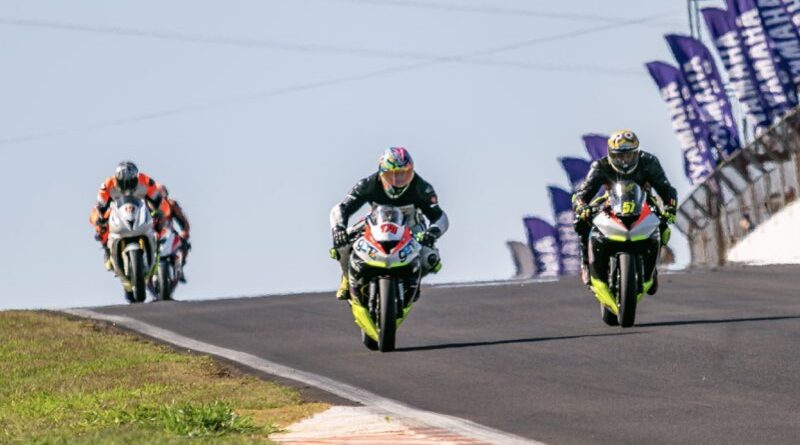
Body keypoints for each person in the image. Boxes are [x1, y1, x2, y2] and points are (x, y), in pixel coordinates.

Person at [330, 147, 449, 300]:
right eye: (391, 175)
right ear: (381, 173)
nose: (398, 181)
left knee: (431, 259)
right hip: (375, 223)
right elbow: (341, 207)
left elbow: (440, 216)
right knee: (341, 244)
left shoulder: (422, 188)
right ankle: (347, 279)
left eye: (403, 175)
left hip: (411, 226)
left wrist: (432, 233)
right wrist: (338, 228)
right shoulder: (368, 184)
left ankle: (413, 282)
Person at [572, 130, 677, 295]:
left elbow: (666, 189)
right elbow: (582, 195)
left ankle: (652, 268)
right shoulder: (601, 166)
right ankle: (586, 261)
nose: (624, 160)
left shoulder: (648, 161)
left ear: (636, 152)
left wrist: (670, 208)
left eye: (629, 155)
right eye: (620, 156)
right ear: (611, 154)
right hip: (610, 201)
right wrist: (581, 206)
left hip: (643, 200)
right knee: (580, 221)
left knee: (663, 224)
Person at [89, 161, 168, 270]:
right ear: (117, 180)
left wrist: (160, 213)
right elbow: (99, 206)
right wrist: (98, 218)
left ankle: (158, 245)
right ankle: (107, 251)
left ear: (136, 178)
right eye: (123, 183)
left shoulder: (145, 180)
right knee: (99, 223)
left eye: (130, 182)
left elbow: (158, 201)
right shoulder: (107, 184)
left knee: (160, 219)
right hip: (118, 214)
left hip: (141, 211)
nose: (126, 186)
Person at [157, 185, 191, 283]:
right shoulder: (143, 205)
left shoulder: (171, 204)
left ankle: (178, 268)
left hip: (168, 235)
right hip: (150, 234)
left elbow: (184, 222)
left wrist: (184, 232)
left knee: (182, 243)